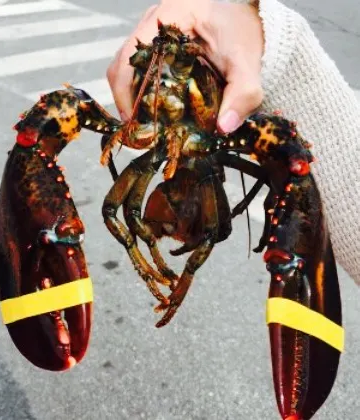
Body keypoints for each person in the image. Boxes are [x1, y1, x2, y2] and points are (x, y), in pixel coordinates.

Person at [106, 0, 360, 285]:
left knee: (221, 222)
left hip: (205, 162)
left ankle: (177, 275)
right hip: (182, 162)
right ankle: (152, 264)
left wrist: (277, 49)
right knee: (121, 211)